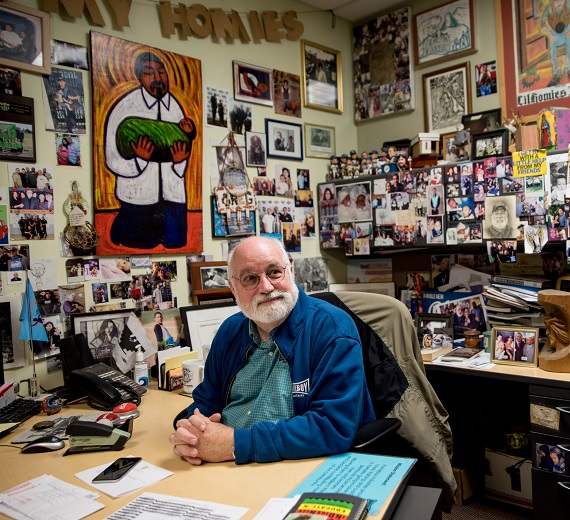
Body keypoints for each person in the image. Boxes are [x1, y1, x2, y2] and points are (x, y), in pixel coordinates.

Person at [169, 236, 374, 465]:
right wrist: (190, 430)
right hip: (225, 466)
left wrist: (236, 444)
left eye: (274, 272)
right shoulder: (230, 331)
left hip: (299, 465)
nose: (266, 287)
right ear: (233, 288)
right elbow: (207, 400)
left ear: (291, 271)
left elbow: (333, 427)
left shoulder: (332, 329)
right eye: (250, 278)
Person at [105, 51, 196, 249]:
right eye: (149, 72)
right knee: (135, 244)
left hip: (173, 197)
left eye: (161, 72)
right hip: (138, 198)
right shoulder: (125, 107)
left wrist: (179, 160)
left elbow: (183, 143)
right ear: (139, 77)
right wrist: (140, 160)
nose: (157, 78)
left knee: (176, 243)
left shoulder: (175, 109)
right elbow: (112, 158)